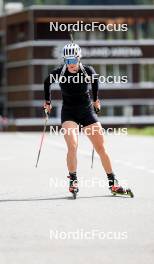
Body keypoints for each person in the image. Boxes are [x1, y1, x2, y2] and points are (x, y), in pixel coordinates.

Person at [43, 42, 125, 195]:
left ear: (79, 58)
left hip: (87, 111)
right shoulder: (60, 72)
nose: (71, 64)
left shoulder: (87, 71)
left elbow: (95, 82)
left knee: (101, 148)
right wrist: (47, 102)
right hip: (69, 112)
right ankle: (73, 180)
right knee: (72, 146)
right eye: (67, 61)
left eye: (73, 60)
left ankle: (113, 183)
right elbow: (47, 82)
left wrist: (96, 100)